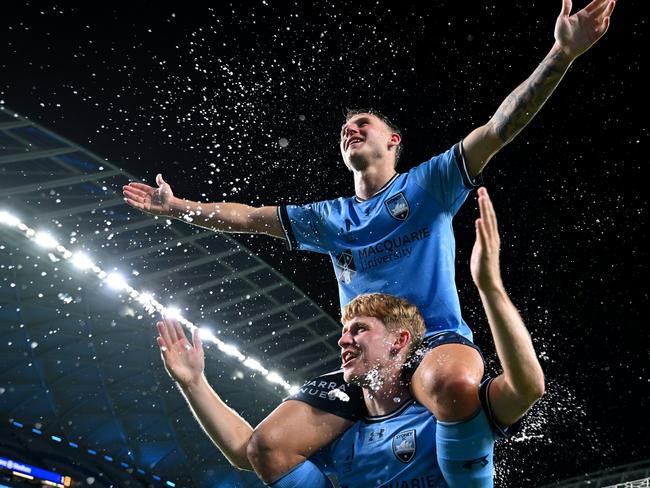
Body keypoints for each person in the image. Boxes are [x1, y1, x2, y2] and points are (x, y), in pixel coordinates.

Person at [125, 1, 613, 484]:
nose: (350, 130)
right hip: (368, 360)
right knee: (266, 448)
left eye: (364, 125)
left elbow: (501, 127)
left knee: (452, 385)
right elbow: (250, 217)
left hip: (431, 344)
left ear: (394, 140)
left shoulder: (430, 184)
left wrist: (561, 55)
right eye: (344, 130)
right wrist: (177, 207)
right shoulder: (328, 218)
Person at [156, 187, 545, 487]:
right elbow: (250, 451)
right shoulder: (343, 435)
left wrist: (490, 288)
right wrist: (193, 382)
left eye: (359, 329)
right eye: (344, 331)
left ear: (399, 341)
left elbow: (527, 387)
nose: (343, 340)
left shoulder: (446, 415)